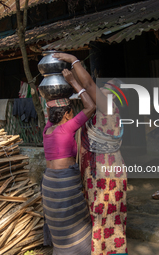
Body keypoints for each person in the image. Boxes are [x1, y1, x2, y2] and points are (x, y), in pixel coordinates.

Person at [53, 53, 128, 255]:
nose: (99, 92)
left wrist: (73, 60)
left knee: (106, 217)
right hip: (96, 173)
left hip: (106, 173)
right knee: (99, 217)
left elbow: (88, 84)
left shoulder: (109, 108)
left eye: (104, 91)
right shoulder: (99, 115)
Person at [42, 69, 96, 255]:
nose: (73, 117)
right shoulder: (67, 128)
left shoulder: (47, 129)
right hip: (64, 185)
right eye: (71, 113)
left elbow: (49, 109)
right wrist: (73, 82)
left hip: (49, 185)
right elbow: (90, 107)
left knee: (60, 227)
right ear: (66, 114)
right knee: (76, 225)